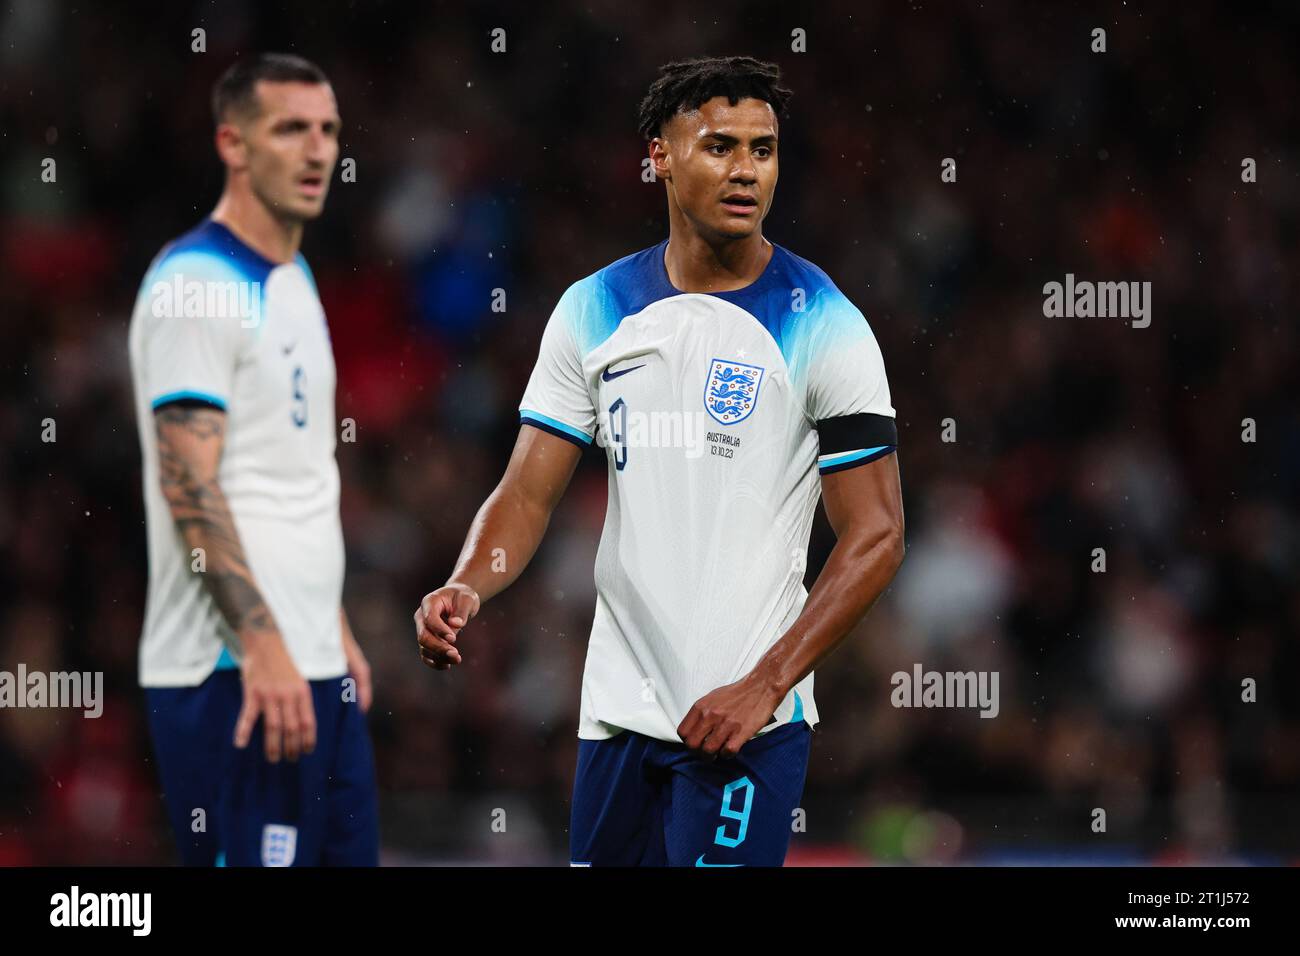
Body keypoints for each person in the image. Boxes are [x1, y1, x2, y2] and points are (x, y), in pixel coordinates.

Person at [415, 55, 905, 866]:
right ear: (659, 157)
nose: (747, 170)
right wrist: (469, 579)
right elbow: (526, 494)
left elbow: (878, 535)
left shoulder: (825, 321)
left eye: (764, 148)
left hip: (745, 722)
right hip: (616, 714)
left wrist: (767, 682)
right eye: (719, 146)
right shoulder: (592, 309)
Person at [128, 53, 377, 866]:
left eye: (329, 130)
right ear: (232, 144)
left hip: (308, 665)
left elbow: (293, 475)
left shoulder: (296, 277)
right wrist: (263, 643)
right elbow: (187, 480)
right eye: (291, 129)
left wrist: (327, 627)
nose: (317, 151)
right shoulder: (196, 283)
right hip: (229, 671)